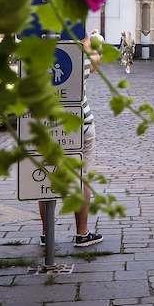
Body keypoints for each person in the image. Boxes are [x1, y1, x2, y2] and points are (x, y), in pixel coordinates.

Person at [39, 33, 102, 248]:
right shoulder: (78, 56)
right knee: (81, 178)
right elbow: (95, 63)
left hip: (46, 124)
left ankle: (47, 234)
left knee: (47, 179)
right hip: (79, 122)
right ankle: (82, 233)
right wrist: (86, 42)